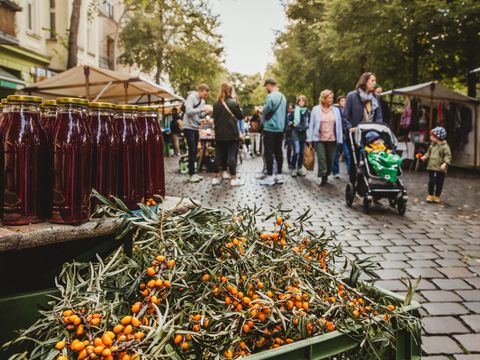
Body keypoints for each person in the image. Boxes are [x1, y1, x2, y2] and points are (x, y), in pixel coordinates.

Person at [211, 83, 245, 187]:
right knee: (231, 156)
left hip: (219, 134)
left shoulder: (216, 104)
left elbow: (215, 119)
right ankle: (233, 178)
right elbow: (241, 116)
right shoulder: (233, 103)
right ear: (230, 91)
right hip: (231, 134)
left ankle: (215, 178)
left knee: (218, 155)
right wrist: (236, 103)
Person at [308, 89, 343, 185]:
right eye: (329, 98)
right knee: (322, 159)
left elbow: (339, 125)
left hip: (332, 139)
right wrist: (310, 139)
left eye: (332, 98)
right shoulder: (316, 109)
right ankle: (323, 177)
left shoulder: (336, 110)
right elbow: (312, 124)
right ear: (323, 99)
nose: (331, 99)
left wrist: (340, 139)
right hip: (319, 139)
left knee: (330, 160)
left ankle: (327, 173)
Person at [259, 78, 287, 186]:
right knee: (278, 151)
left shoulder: (270, 96)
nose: (266, 88)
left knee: (268, 152)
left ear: (269, 85)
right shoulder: (283, 97)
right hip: (280, 128)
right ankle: (279, 175)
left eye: (266, 86)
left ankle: (270, 176)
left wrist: (260, 110)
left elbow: (266, 110)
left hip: (270, 128)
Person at [182, 83, 212, 183]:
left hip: (195, 127)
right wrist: (202, 109)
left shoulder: (202, 101)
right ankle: (191, 174)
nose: (206, 96)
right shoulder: (191, 97)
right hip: (188, 126)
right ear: (200, 90)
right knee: (192, 149)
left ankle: (194, 173)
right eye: (205, 93)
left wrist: (207, 113)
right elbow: (189, 111)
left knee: (195, 151)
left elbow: (199, 115)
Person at [421, 127, 452, 204]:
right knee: (431, 181)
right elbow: (428, 153)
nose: (430, 137)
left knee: (439, 182)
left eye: (432, 136)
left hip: (441, 168)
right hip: (431, 166)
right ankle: (430, 194)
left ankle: (437, 196)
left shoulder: (444, 146)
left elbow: (448, 156)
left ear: (437, 137)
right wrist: (425, 157)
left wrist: (445, 163)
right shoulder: (432, 145)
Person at [291, 95, 310, 177]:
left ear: (305, 102)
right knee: (297, 151)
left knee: (302, 153)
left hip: (303, 133)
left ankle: (299, 168)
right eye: (300, 101)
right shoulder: (294, 111)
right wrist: (292, 123)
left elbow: (310, 122)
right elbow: (288, 121)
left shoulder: (308, 112)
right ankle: (293, 168)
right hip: (295, 133)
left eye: (303, 101)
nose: (301, 102)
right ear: (298, 102)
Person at [332, 95, 350, 178]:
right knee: (336, 154)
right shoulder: (336, 111)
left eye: (345, 101)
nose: (344, 102)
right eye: (342, 101)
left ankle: (349, 171)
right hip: (337, 134)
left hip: (346, 135)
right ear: (339, 102)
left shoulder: (348, 111)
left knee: (347, 153)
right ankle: (336, 172)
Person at [285, 103, 295, 172]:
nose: (290, 109)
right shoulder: (286, 116)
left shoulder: (295, 114)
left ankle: (294, 162)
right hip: (288, 134)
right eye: (289, 108)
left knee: (295, 149)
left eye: (291, 108)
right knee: (289, 149)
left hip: (294, 134)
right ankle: (289, 162)